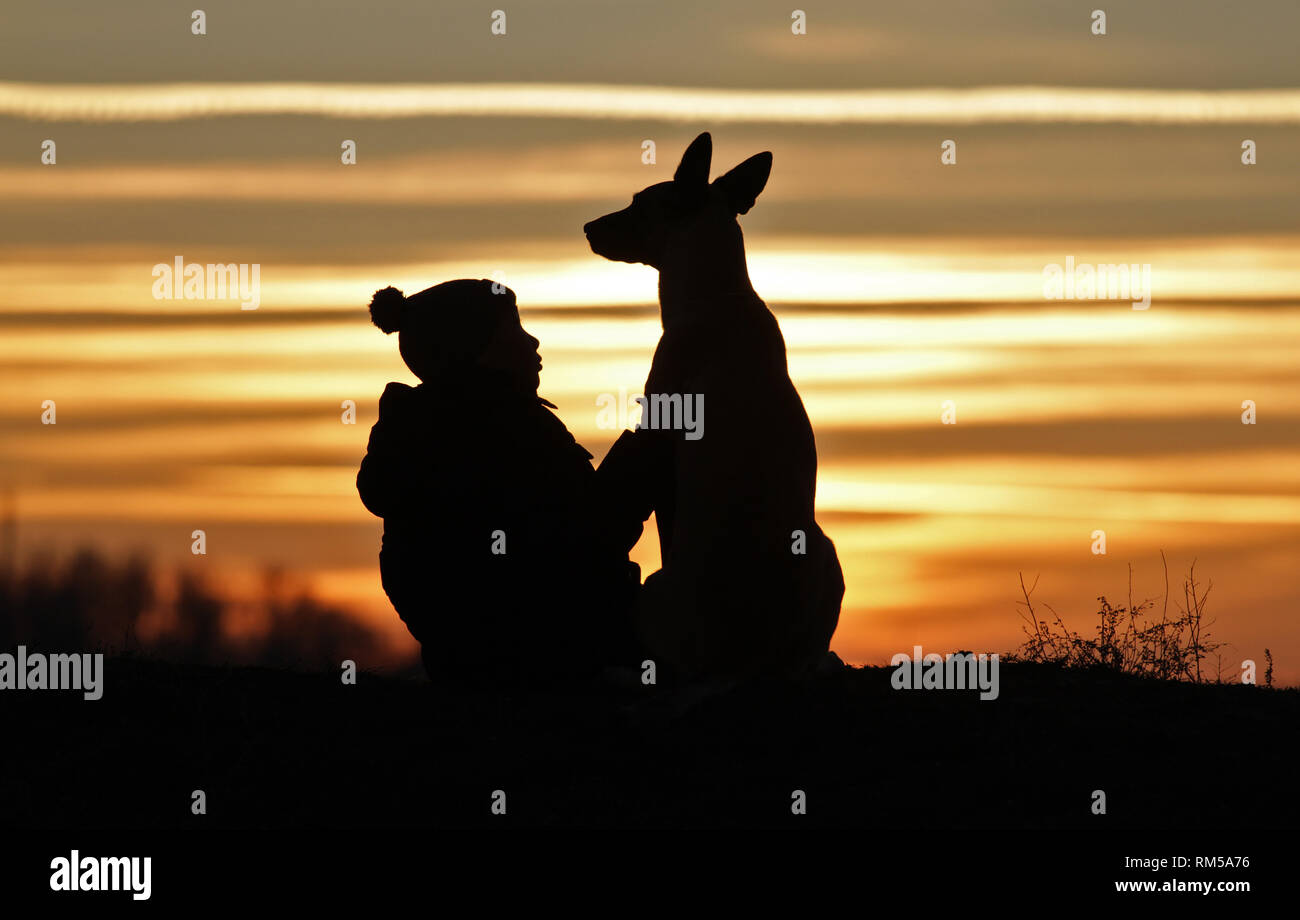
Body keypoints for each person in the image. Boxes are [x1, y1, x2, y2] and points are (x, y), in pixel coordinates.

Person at [356, 279, 641, 689]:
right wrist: (648, 452)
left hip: (462, 662)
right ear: (478, 350)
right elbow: (594, 531)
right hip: (551, 658)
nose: (534, 342)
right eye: (517, 331)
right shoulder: (512, 431)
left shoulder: (420, 435)